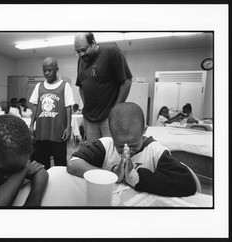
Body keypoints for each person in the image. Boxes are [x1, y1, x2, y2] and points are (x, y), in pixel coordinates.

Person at [67, 102, 197, 197]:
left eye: (133, 145)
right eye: (119, 146)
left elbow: (188, 184)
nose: (127, 151)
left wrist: (135, 177)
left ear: (144, 130)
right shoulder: (106, 145)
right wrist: (111, 176)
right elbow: (73, 163)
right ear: (111, 135)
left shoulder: (155, 151)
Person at [74, 32, 133, 144]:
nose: (81, 55)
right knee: (94, 154)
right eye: (77, 52)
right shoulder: (81, 61)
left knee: (111, 154)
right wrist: (86, 105)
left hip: (108, 118)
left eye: (83, 50)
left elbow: (127, 81)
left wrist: (115, 110)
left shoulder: (112, 52)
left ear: (93, 42)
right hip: (90, 118)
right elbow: (81, 87)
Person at [29, 57, 75, 169]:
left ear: (57, 69)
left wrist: (68, 127)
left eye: (50, 70)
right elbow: (35, 106)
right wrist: (31, 125)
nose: (47, 73)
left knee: (60, 165)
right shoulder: (39, 86)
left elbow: (68, 108)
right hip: (41, 133)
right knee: (41, 164)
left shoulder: (65, 86)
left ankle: (60, 185)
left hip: (58, 133)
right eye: (44, 70)